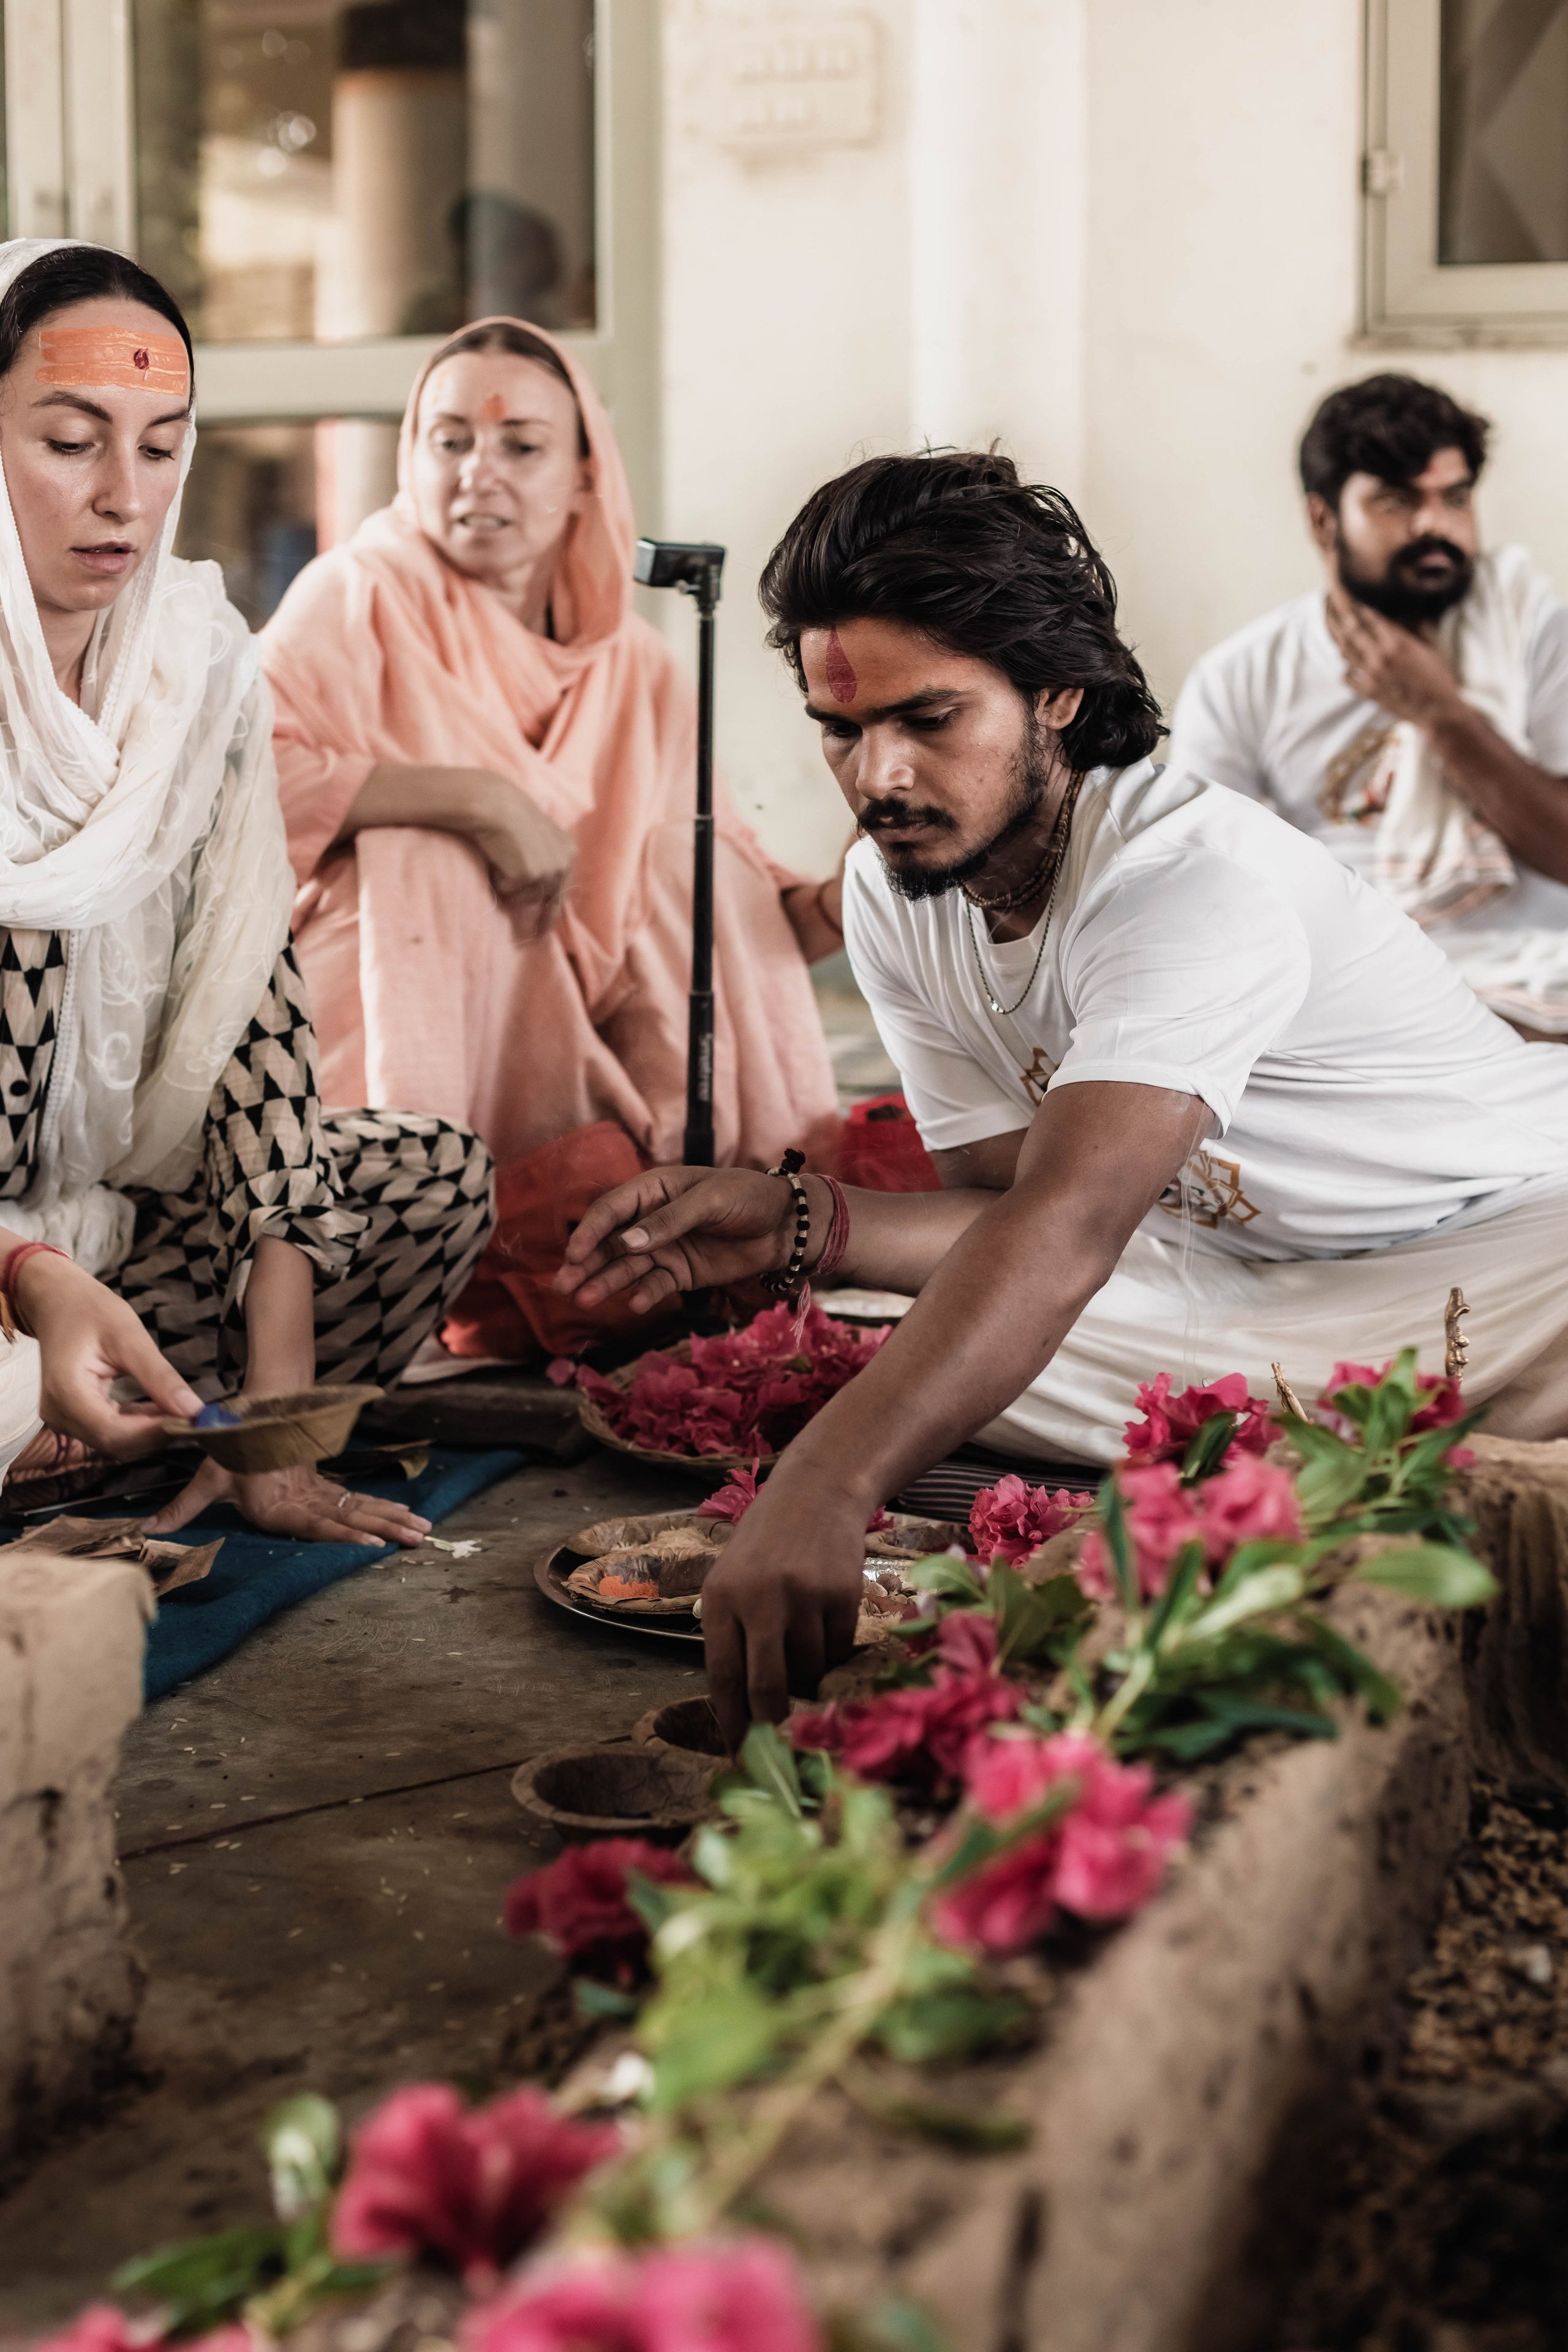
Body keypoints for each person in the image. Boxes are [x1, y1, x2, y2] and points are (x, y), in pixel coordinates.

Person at [554, 451, 1568, 1743]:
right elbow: (1006, 1212)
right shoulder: (893, 892)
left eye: (928, 720)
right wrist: (797, 1218)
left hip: (1505, 1245)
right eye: (839, 729)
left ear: (1056, 694)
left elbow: (1068, 1232)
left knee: (934, 1373)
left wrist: (825, 1483)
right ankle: (1350, 1453)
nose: (877, 780)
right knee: (963, 1351)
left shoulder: (1185, 885)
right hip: (1269, 1286)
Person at [0, 236, 492, 1544]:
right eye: (70, 441)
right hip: (24, 1277)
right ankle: (78, 1418)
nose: (123, 496)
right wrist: (31, 1282)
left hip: (107, 1240)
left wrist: (268, 1430)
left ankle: (140, 1428)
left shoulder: (195, 673)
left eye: (161, 447)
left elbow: (256, 1032)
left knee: (430, 1178)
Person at [260, 318, 840, 1359]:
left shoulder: (640, 666)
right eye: (450, 441)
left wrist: (860, 895)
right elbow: (237, 784)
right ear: (411, 458)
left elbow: (738, 894)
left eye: (521, 445)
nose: (480, 472)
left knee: (683, 866)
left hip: (597, 1007)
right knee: (434, 860)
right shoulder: (355, 598)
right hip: (392, 1004)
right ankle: (442, 1250)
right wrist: (473, 800)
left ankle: (704, 1229)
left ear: (584, 474)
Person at [1168, 373, 1568, 1038]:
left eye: (1455, 497)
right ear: (1322, 520)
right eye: (1395, 501)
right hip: (1352, 998)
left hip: (1542, 980)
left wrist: (1443, 716)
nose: (1433, 525)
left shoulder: (1535, 638)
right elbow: (1210, 897)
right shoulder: (1241, 679)